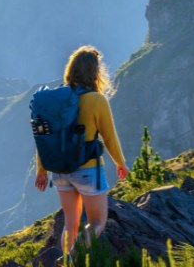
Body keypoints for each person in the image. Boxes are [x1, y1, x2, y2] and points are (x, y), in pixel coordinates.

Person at [34, 45, 128, 261]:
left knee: (70, 223)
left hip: (59, 171)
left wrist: (41, 170)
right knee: (97, 222)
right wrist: (120, 163)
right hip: (87, 170)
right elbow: (109, 137)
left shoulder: (56, 100)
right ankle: (71, 258)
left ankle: (66, 260)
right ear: (95, 72)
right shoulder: (97, 100)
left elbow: (44, 138)